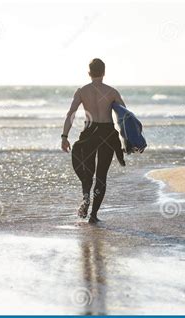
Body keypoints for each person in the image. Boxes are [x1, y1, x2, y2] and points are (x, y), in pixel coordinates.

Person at [61, 58, 126, 223]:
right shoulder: (112, 92)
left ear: (89, 73)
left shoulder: (82, 91)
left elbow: (71, 114)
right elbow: (125, 117)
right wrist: (128, 141)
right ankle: (94, 215)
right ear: (104, 72)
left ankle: (85, 198)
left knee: (87, 172)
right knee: (101, 175)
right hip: (107, 134)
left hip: (90, 133)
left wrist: (65, 136)